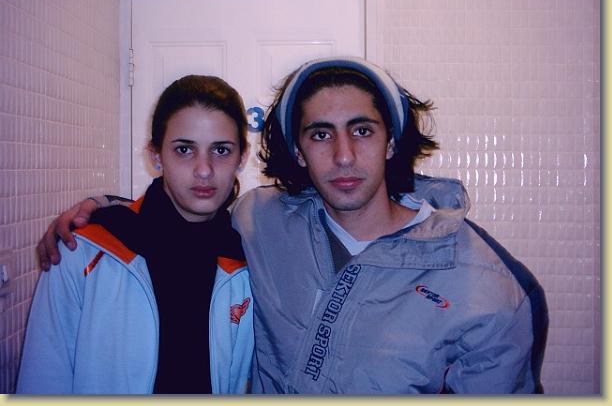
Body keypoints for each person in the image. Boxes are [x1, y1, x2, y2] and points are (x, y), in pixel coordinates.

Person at [36, 57, 548, 394]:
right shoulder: (262, 220)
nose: (343, 156)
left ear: (391, 142)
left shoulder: (485, 287)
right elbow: (182, 215)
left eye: (362, 131)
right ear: (299, 152)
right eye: (321, 135)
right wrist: (104, 209)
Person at [17, 75, 254, 394]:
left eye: (221, 150)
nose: (204, 169)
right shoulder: (84, 248)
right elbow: (43, 381)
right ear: (156, 155)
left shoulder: (248, 258)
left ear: (242, 157)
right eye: (184, 149)